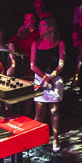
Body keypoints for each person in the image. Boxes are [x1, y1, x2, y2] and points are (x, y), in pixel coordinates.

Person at [31, 15, 67, 152]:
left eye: (43, 26)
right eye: (39, 26)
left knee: (54, 110)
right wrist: (45, 78)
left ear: (50, 28)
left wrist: (51, 77)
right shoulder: (35, 44)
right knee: (39, 110)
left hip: (55, 78)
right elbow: (32, 65)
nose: (39, 28)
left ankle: (56, 139)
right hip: (40, 78)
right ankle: (36, 139)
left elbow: (61, 64)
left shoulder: (60, 43)